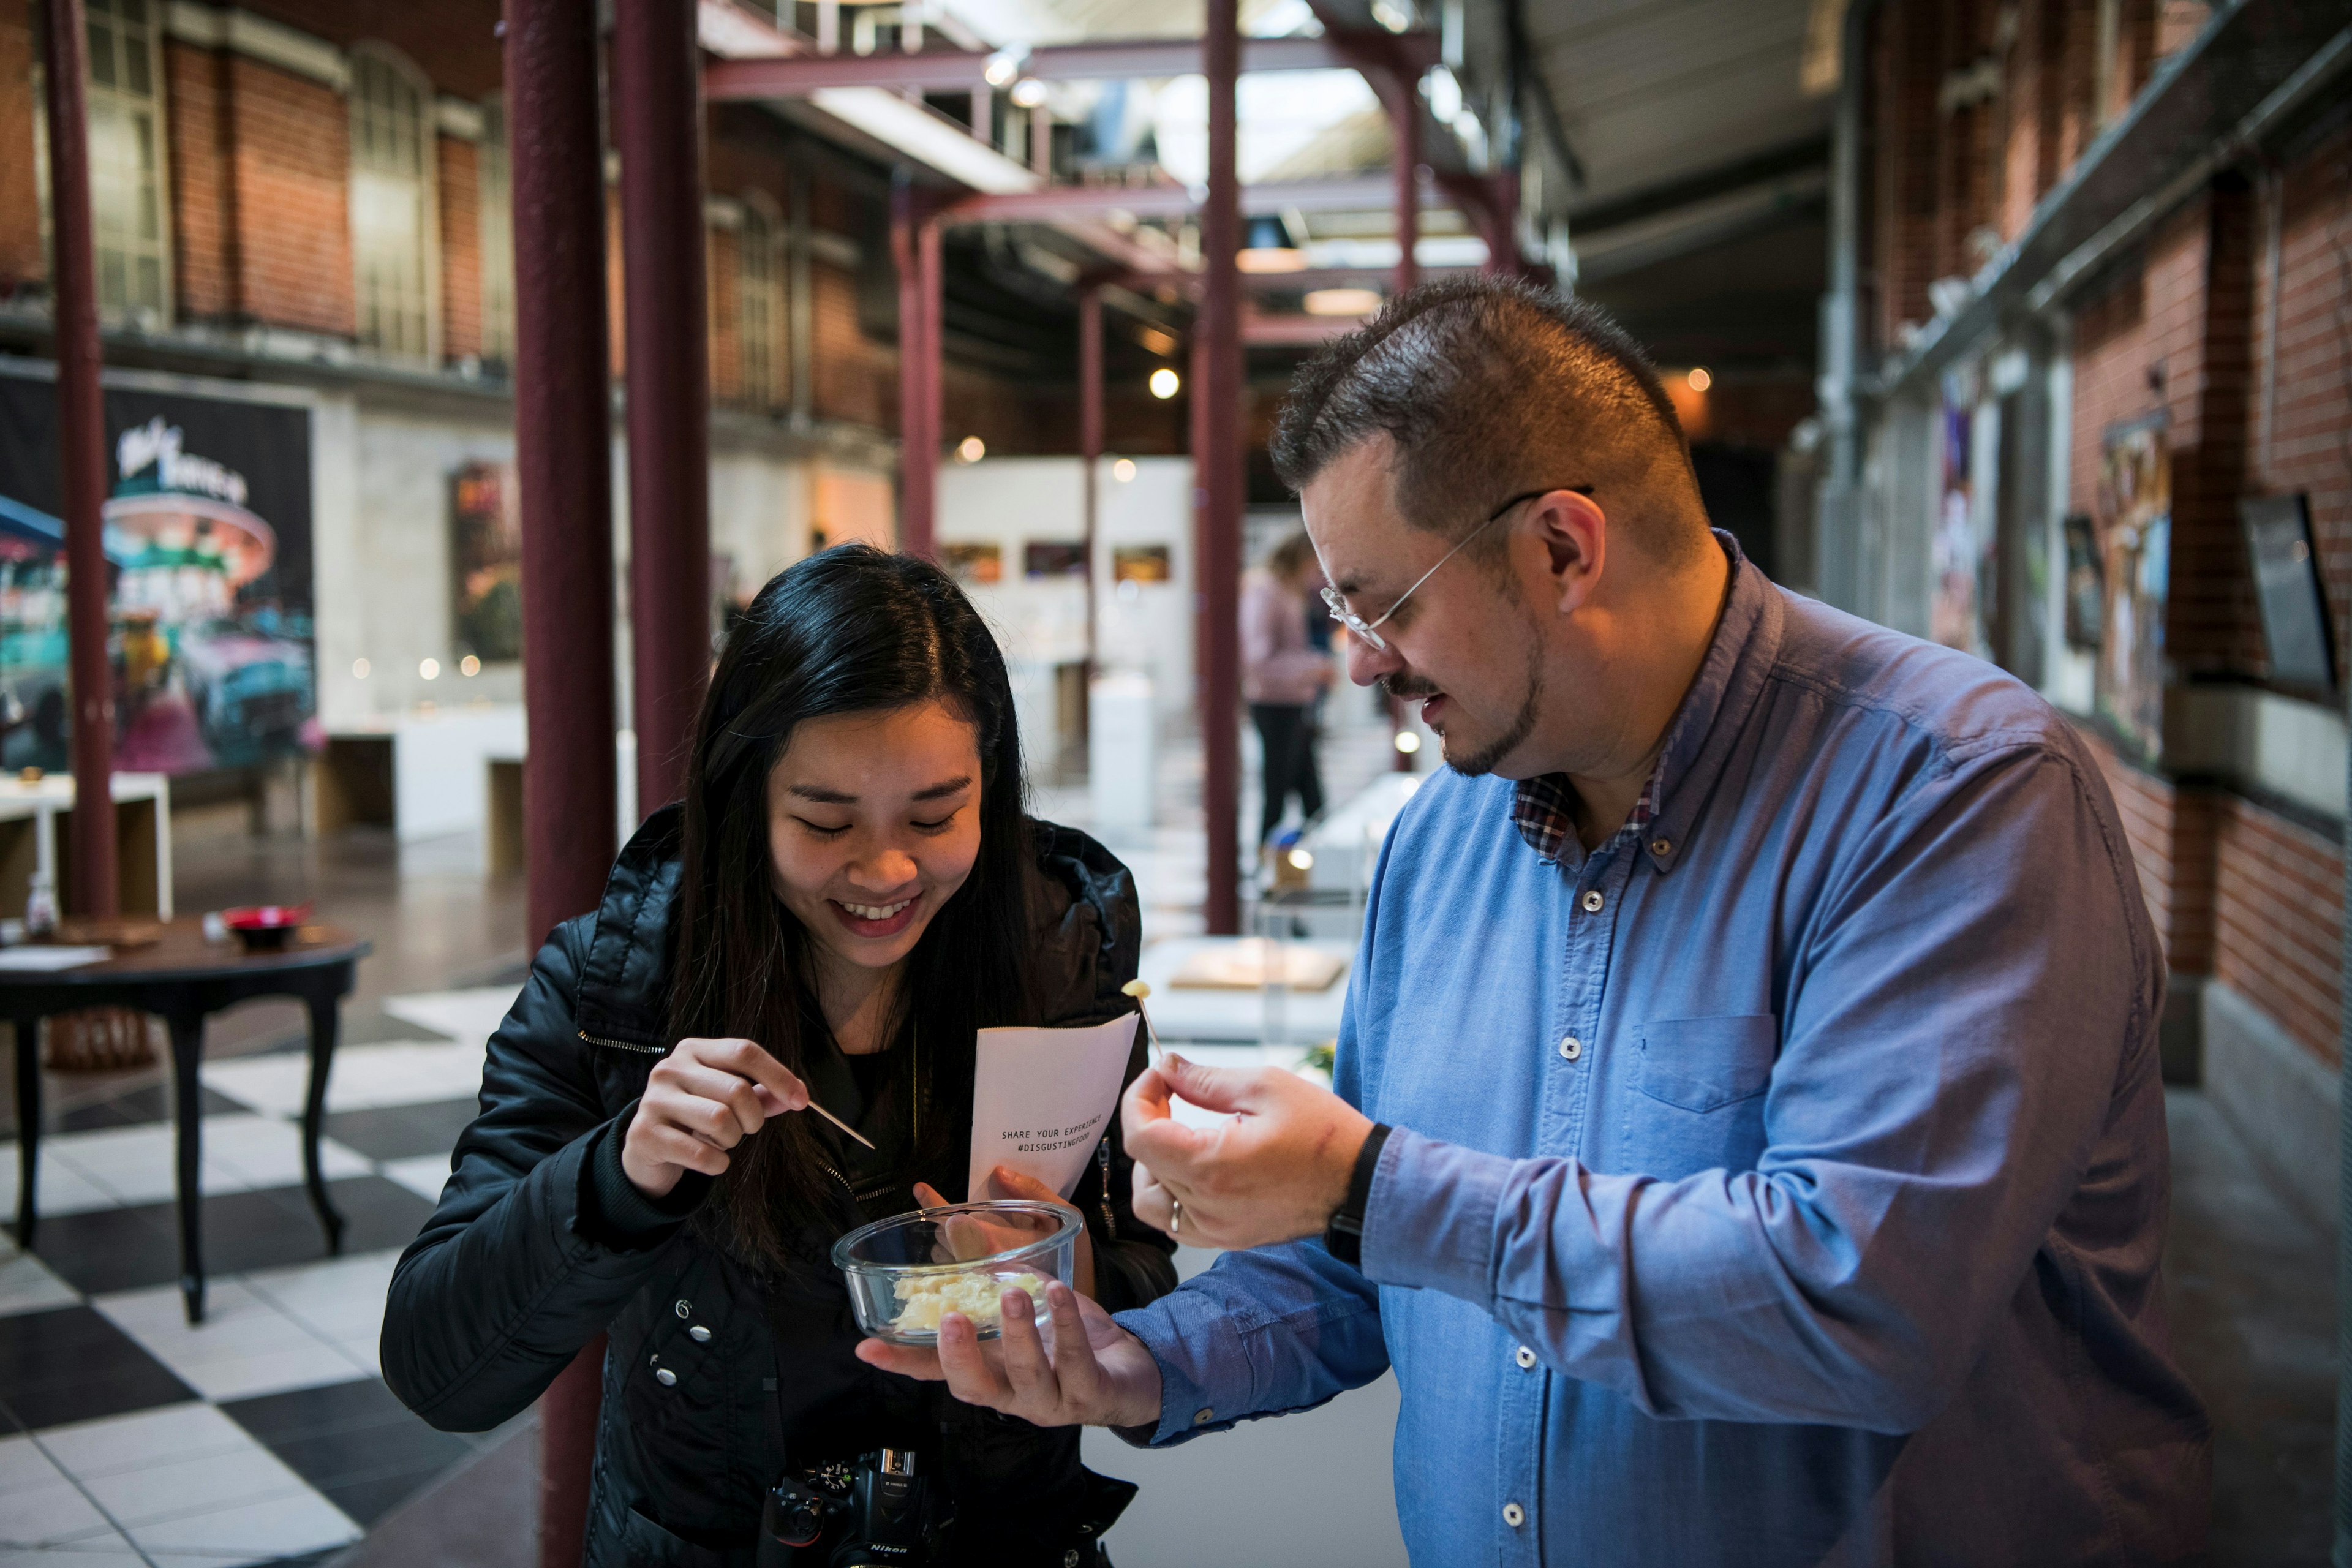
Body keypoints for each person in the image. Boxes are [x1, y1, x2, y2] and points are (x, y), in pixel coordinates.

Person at [858, 279, 2211, 1565]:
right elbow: (1368, 1272)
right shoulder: (1444, 839)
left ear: (1562, 546)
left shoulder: (1952, 795)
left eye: (1382, 601)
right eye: (1338, 606)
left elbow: (1860, 1304)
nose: (1357, 659)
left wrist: (1362, 1178)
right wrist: (1137, 1357)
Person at [381, 545, 1177, 1566]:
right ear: (745, 796)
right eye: (823, 821)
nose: (885, 869)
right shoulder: (618, 991)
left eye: (936, 815)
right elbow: (439, 1371)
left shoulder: (1063, 967)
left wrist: (1073, 1273)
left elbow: (1145, 1280)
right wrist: (619, 1178)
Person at [1241, 529, 1335, 846]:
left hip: (1294, 702)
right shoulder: (1266, 590)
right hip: (1274, 704)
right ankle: (1267, 862)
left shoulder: (1288, 590)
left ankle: (1303, 865)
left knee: (1311, 794)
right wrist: (1312, 667)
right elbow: (1257, 659)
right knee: (1278, 789)